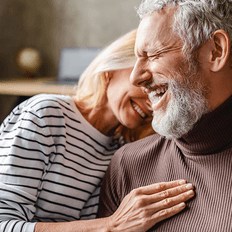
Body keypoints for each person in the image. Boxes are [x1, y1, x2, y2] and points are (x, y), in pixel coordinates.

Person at [0, 29, 195, 232]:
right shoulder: (45, 115)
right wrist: (111, 226)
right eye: (148, 83)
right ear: (113, 67)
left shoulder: (122, 149)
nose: (151, 103)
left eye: (161, 92)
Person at [98, 1, 232, 231]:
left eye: (153, 55)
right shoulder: (127, 165)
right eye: (137, 57)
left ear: (215, 51)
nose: (135, 77)